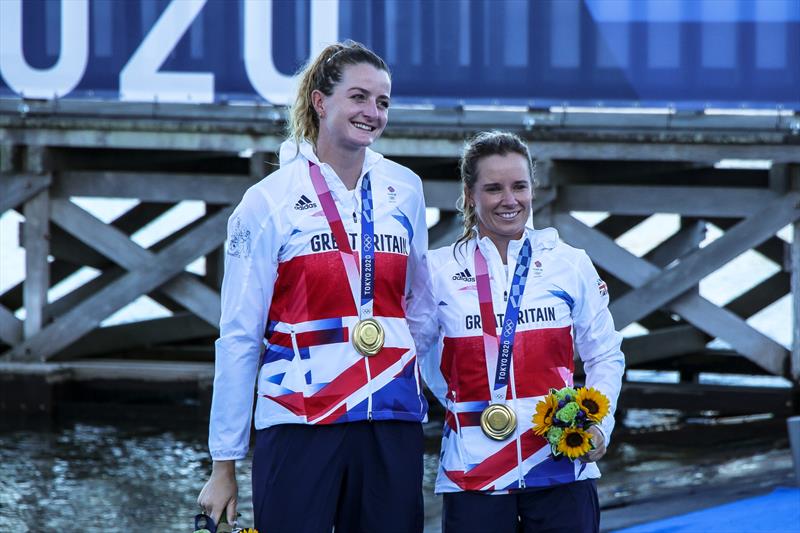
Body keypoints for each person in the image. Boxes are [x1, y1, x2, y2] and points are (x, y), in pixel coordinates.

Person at [197, 40, 432, 533]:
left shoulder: (405, 189)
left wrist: (414, 380)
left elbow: (420, 308)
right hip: (299, 420)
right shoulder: (266, 203)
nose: (372, 112)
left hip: (389, 418)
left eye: (383, 102)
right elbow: (239, 335)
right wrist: (224, 463)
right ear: (321, 102)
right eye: (359, 97)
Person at [418, 131, 625, 533]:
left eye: (519, 186)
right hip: (474, 473)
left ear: (533, 188)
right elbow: (419, 359)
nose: (509, 200)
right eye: (493, 188)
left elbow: (604, 355)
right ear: (470, 194)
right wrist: (467, 410)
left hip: (562, 468)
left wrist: (602, 425)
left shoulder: (570, 263)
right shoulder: (437, 270)